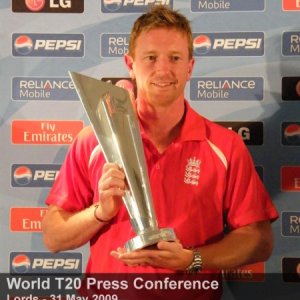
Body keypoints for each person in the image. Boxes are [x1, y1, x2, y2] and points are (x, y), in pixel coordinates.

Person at [42, 5, 278, 299]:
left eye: (175, 58)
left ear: (190, 66)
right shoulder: (93, 142)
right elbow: (53, 237)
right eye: (151, 58)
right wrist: (100, 212)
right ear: (130, 63)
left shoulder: (224, 146)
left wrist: (193, 259)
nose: (163, 69)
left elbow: (259, 241)